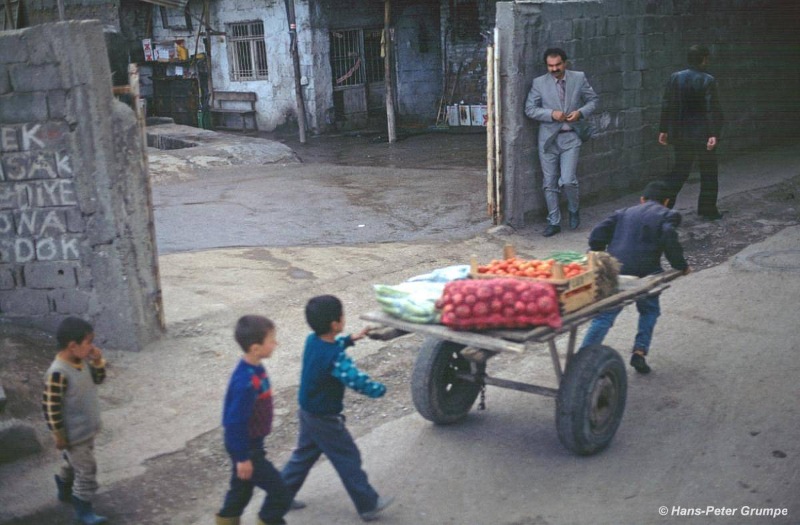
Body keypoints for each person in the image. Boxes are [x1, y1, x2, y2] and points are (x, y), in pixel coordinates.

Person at [281, 295, 394, 522]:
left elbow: (331, 345)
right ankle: (367, 504)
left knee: (303, 456)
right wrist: (378, 389)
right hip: (325, 418)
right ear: (335, 323)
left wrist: (351, 339)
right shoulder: (336, 359)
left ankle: (280, 496)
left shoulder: (312, 340)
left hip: (307, 410)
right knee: (347, 457)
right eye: (342, 315)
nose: (344, 317)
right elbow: (356, 380)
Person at [580, 181, 691, 373]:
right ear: (666, 202)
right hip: (647, 271)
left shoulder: (623, 212)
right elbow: (669, 237)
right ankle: (639, 352)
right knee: (649, 311)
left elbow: (599, 231)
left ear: (642, 199)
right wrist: (681, 266)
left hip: (616, 270)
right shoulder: (668, 214)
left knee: (605, 315)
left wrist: (597, 252)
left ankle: (582, 357)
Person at [215, 315, 292, 525]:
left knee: (241, 491)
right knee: (281, 493)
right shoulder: (246, 382)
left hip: (249, 444)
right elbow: (234, 421)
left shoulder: (254, 368)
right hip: (247, 448)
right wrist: (242, 458)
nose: (276, 343)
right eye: (272, 340)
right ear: (256, 348)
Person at [525, 47, 599, 237]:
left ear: (565, 63)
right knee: (549, 182)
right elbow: (530, 109)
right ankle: (554, 221)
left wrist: (580, 112)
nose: (554, 69)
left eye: (558, 65)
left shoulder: (578, 77)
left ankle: (574, 209)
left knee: (567, 180)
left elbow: (593, 101)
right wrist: (551, 114)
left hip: (571, 137)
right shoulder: (539, 83)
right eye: (550, 66)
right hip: (548, 140)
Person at [42, 317, 109, 525]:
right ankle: (84, 510)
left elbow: (98, 379)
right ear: (73, 346)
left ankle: (63, 486)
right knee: (87, 470)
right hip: (74, 434)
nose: (92, 347)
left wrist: (97, 361)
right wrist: (59, 436)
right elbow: (51, 408)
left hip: (86, 430)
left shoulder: (80, 362)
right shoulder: (57, 373)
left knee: (75, 464)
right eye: (89, 342)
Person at [658, 44, 724, 220]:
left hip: (680, 134)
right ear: (704, 59)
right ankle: (707, 209)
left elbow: (667, 104)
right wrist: (713, 134)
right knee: (709, 171)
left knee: (680, 170)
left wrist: (663, 129)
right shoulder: (708, 80)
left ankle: (663, 206)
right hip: (702, 135)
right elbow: (711, 109)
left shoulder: (675, 78)